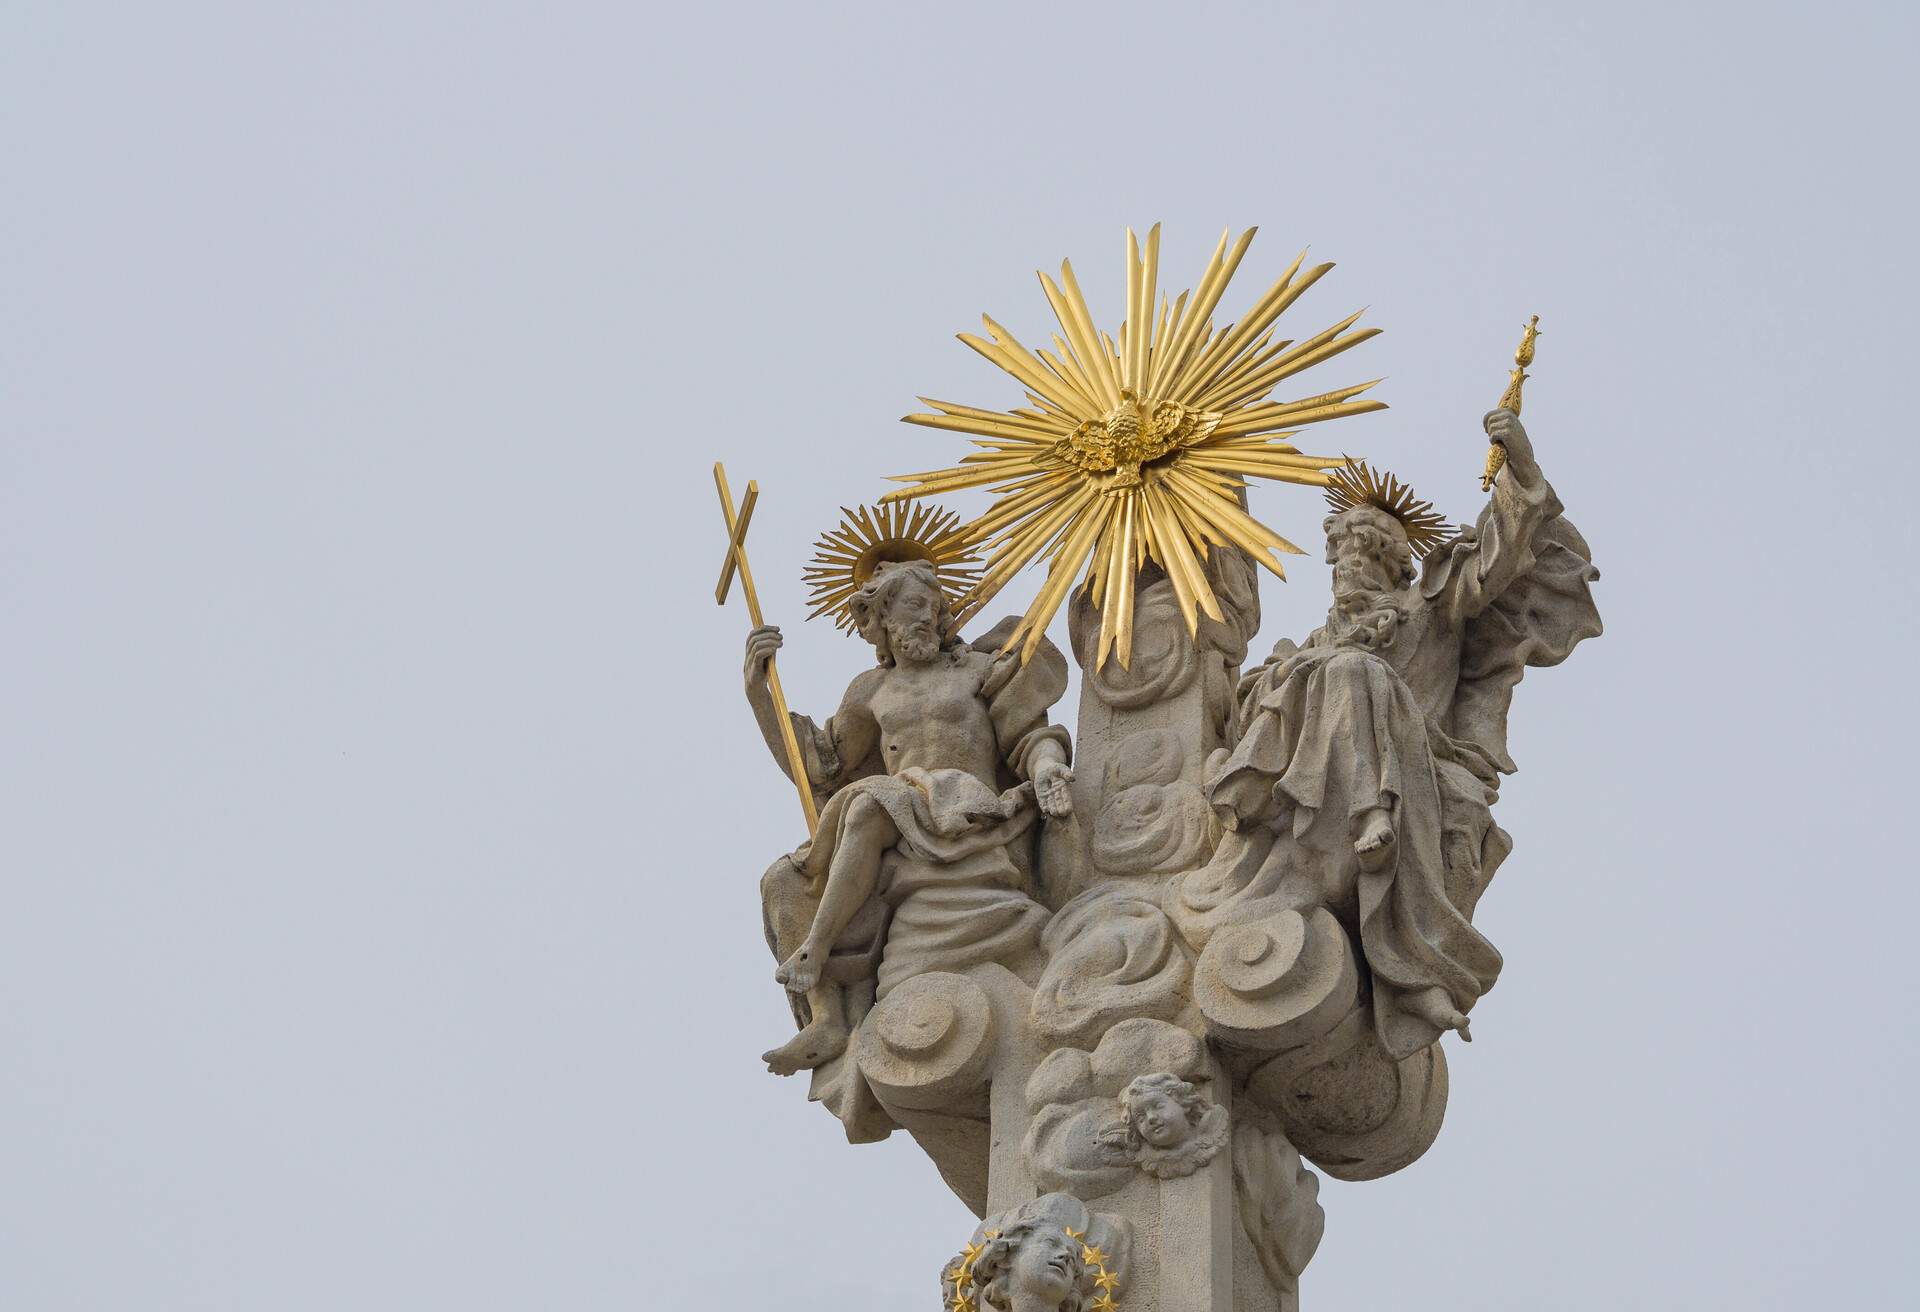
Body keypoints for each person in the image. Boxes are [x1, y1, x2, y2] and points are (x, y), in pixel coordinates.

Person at [1206, 408, 1601, 1058]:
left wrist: (1519, 467)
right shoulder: (1304, 648)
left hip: (1409, 770)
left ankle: (1376, 830)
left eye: (1366, 557)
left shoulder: (1430, 611)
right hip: (1303, 784)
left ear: (1394, 568)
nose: (1348, 569)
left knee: (1358, 672)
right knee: (1314, 669)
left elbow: (1500, 552)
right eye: (1340, 557)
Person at [743, 558, 1074, 1076]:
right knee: (784, 878)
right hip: (907, 815)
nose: (930, 617)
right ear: (882, 617)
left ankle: (816, 949)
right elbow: (819, 763)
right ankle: (825, 1019)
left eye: (936, 607)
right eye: (915, 605)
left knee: (872, 802)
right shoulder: (870, 691)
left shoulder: (977, 670)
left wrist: (1050, 768)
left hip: (976, 808)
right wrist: (760, 696)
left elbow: (1028, 737)